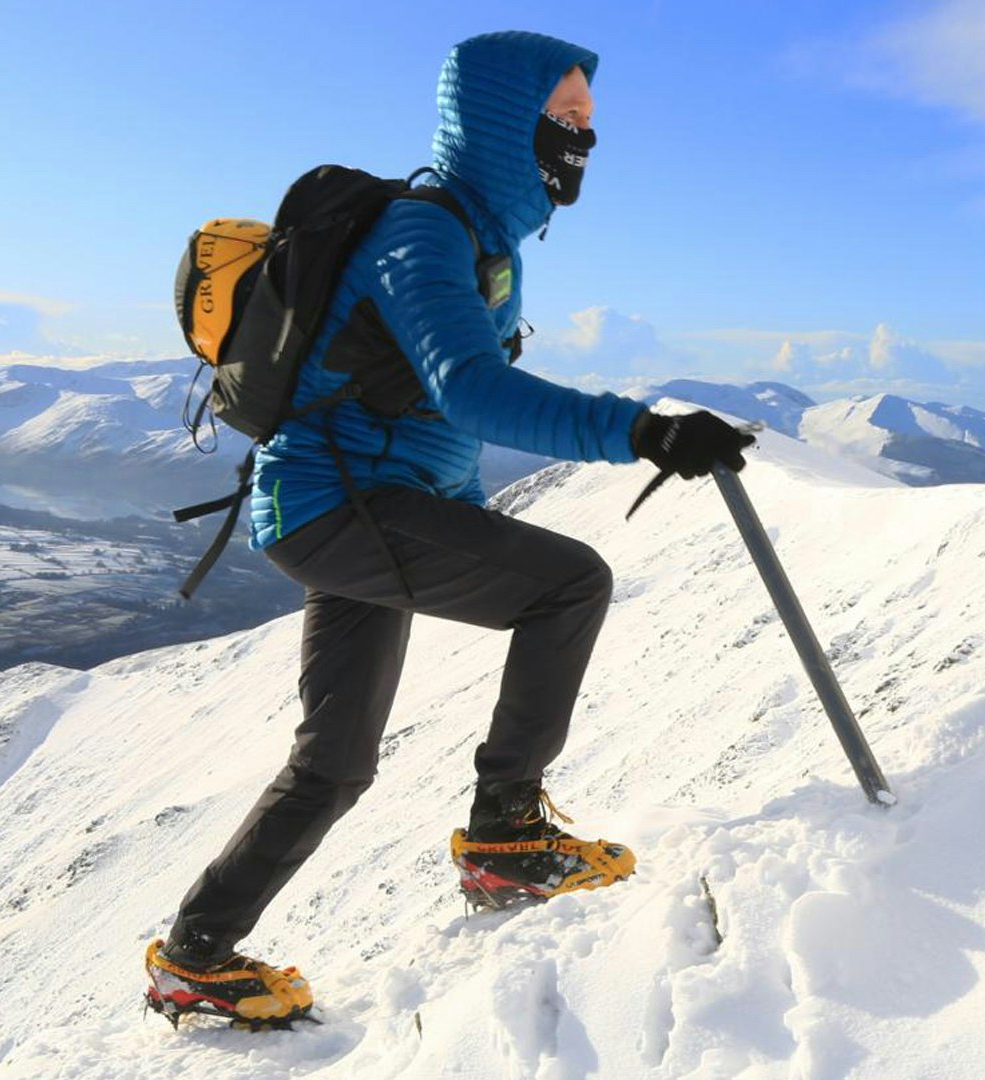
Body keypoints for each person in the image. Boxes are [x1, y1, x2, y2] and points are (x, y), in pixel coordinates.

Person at [143, 30, 753, 1027]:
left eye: (589, 121)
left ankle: (195, 955)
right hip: (344, 508)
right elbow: (470, 391)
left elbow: (428, 429)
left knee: (333, 764)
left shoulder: (485, 243)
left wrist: (464, 520)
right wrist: (641, 431)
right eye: (565, 117)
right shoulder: (422, 236)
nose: (582, 137)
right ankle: (508, 833)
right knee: (571, 585)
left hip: (348, 508)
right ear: (505, 121)